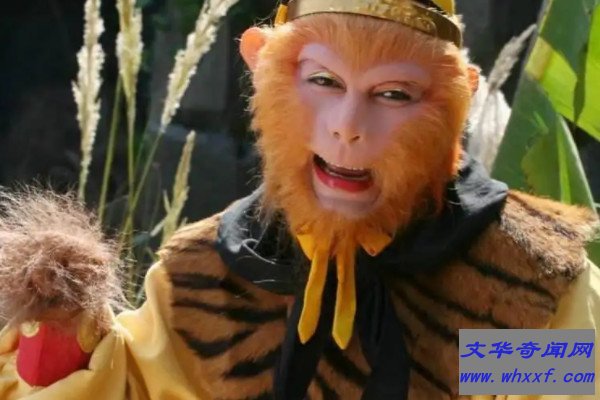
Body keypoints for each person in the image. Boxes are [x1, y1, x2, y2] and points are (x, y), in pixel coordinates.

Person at [1, 0, 599, 399]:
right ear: (263, 66)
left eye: (393, 94)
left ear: (459, 102)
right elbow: (137, 384)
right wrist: (63, 333)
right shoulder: (205, 275)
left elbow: (549, 375)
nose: (347, 126)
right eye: (323, 81)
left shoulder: (522, 278)